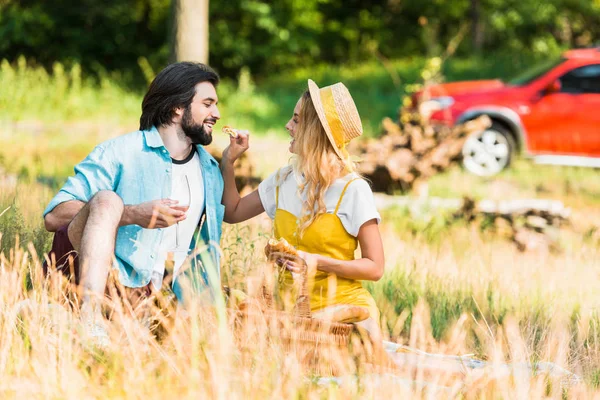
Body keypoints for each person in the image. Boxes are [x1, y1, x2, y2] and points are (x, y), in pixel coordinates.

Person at [43, 62, 226, 345]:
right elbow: (54, 217)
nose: (216, 113)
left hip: (154, 298)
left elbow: (216, 236)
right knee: (107, 200)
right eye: (207, 103)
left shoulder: (211, 170)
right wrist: (130, 214)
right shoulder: (121, 151)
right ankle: (88, 321)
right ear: (178, 108)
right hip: (96, 277)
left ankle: (124, 328)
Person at [220, 79, 385, 337]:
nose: (288, 126)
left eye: (296, 120)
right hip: (292, 320)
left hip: (344, 317)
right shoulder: (284, 180)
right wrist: (228, 162)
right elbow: (233, 212)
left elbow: (375, 268)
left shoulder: (353, 190)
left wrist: (315, 262)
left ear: (316, 131)